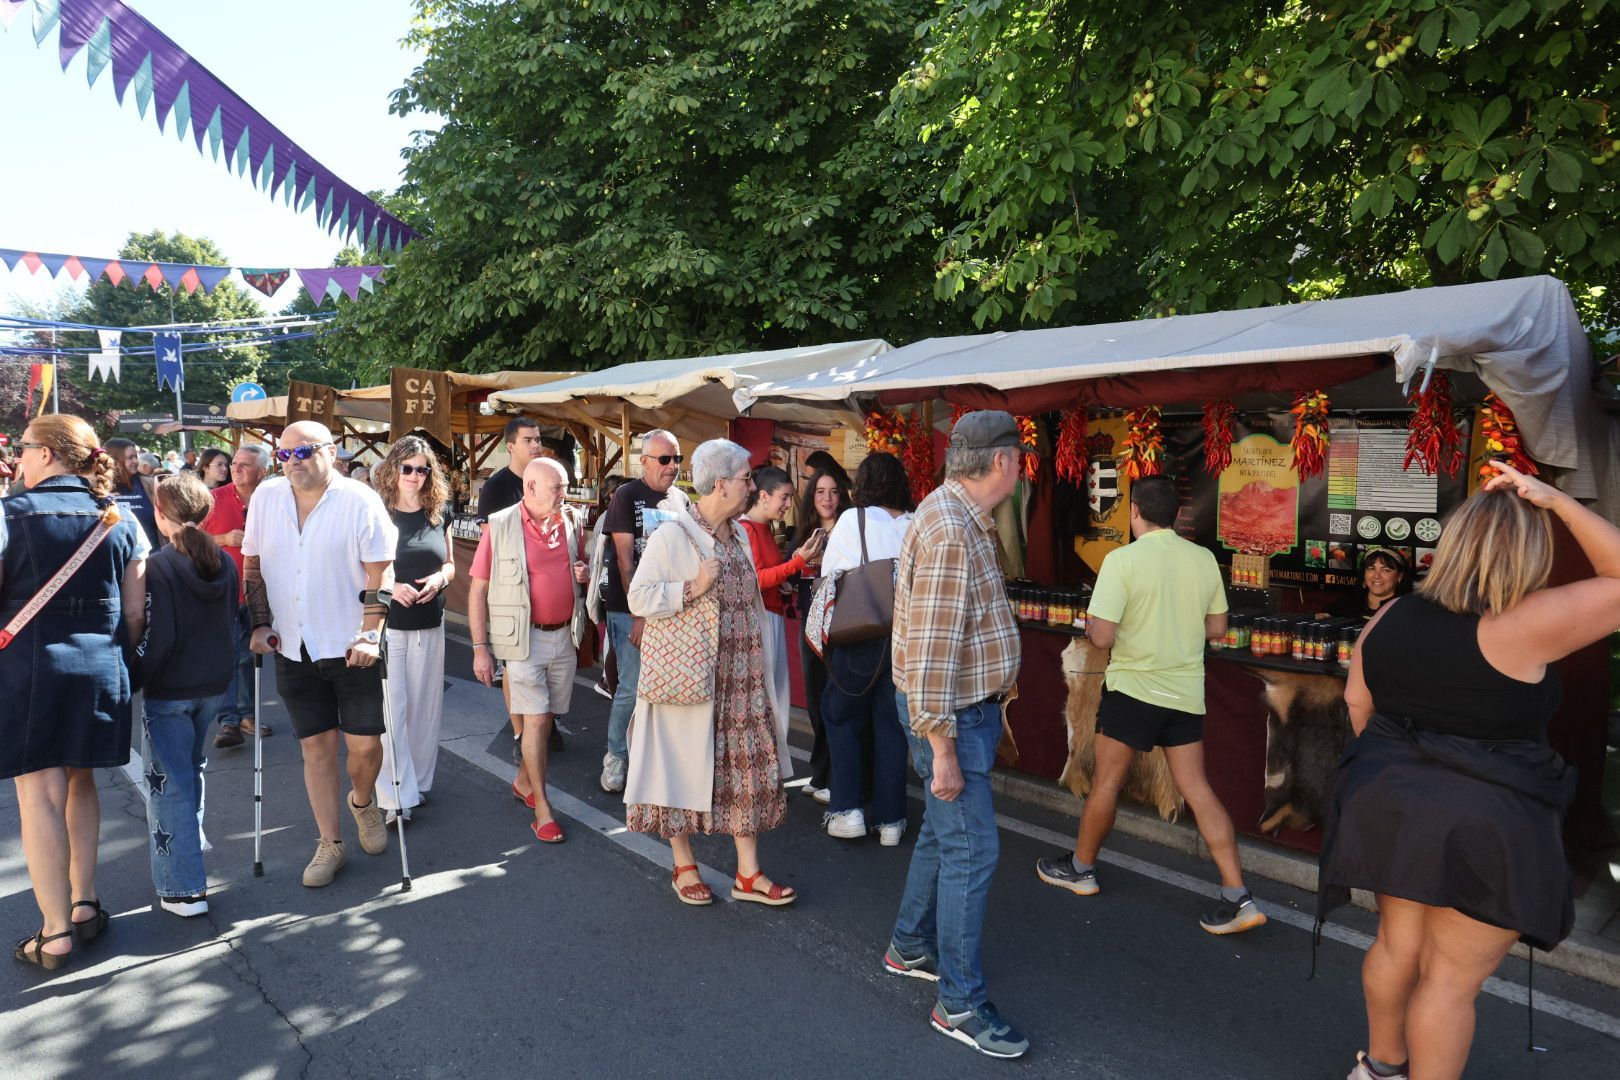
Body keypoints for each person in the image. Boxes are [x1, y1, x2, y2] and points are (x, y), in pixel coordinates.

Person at [1320, 461, 1620, 1080]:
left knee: (1395, 947)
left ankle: (1378, 1070)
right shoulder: (1528, 624)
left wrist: (1404, 767)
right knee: (1450, 982)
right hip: (1490, 821)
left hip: (1394, 808)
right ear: (1532, 554)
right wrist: (1555, 502)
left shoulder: (1388, 617)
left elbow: (1357, 705)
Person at [1035, 475, 1264, 935]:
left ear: (1134, 511)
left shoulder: (1121, 561)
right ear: (1177, 514)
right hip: (1184, 694)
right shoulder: (1202, 559)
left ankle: (1082, 870)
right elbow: (1217, 629)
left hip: (1133, 692)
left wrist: (1111, 625)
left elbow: (1100, 636)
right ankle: (1238, 895)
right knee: (1198, 789)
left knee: (1106, 784)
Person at [884, 412, 1027, 1058]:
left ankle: (911, 943)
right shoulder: (950, 531)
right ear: (1000, 463)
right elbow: (934, 652)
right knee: (973, 850)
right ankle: (959, 1003)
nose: (1024, 469)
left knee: (946, 841)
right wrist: (941, 747)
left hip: (952, 710)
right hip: (950, 715)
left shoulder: (951, 515)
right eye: (1020, 457)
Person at [625, 439, 795, 907]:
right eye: (745, 478)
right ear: (721, 485)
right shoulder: (673, 535)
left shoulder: (737, 533)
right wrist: (693, 586)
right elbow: (639, 598)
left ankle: (748, 874)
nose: (751, 485)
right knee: (679, 768)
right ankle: (683, 865)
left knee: (747, 774)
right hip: (694, 679)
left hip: (742, 678)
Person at [3, 416, 147, 970]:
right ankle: (84, 903)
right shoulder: (120, 518)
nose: (18, 459)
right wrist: (116, 659)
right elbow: (135, 612)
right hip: (101, 667)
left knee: (38, 793)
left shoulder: (8, 515)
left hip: (28, 669)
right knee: (83, 780)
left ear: (46, 455)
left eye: (22, 449)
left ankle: (55, 932)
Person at [243, 421, 398, 888]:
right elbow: (253, 564)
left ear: (332, 452)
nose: (293, 462)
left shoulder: (359, 500)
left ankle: (363, 801)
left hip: (351, 644)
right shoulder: (266, 498)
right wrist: (260, 622)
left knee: (365, 745)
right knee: (316, 748)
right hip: (292, 644)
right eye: (284, 454)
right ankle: (330, 842)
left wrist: (371, 633)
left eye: (304, 452)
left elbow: (381, 574)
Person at [470, 458, 589, 843]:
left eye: (565, 486)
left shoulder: (571, 521)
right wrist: (479, 648)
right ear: (531, 488)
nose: (564, 494)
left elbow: (578, 566)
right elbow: (478, 590)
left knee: (550, 715)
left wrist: (582, 573)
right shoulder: (501, 525)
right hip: (523, 640)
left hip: (563, 636)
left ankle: (524, 781)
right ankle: (542, 808)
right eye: (558, 487)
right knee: (536, 721)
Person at [139, 472, 238, 917]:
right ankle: (187, 863)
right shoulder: (225, 563)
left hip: (171, 687)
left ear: (161, 516)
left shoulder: (159, 565)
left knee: (170, 785)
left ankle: (183, 887)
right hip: (213, 685)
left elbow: (158, 634)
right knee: (189, 772)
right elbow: (231, 627)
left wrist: (139, 675)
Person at [820, 454, 914, 845]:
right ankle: (891, 820)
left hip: (861, 632)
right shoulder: (916, 522)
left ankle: (848, 809)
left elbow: (830, 575)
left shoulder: (853, 520)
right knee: (891, 726)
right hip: (906, 637)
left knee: (840, 716)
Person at [370, 437, 457, 826]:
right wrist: (391, 587)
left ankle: (418, 784)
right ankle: (394, 796)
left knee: (424, 708)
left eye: (423, 469)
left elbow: (452, 563)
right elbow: (362, 568)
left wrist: (440, 578)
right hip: (391, 625)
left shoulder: (439, 512)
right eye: (408, 468)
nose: (415, 476)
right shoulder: (378, 513)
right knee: (392, 710)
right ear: (393, 469)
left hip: (430, 621)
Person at [598, 429, 689, 793]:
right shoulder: (626, 495)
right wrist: (639, 614)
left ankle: (654, 758)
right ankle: (617, 756)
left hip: (671, 609)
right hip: (631, 609)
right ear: (645, 461)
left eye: (677, 458)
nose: (672, 466)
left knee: (667, 688)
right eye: (665, 459)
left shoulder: (681, 499)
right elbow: (624, 559)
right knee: (632, 686)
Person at [476, 417, 555, 762]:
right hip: (510, 592)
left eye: (538, 439)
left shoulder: (548, 479)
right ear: (511, 446)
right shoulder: (496, 487)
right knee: (512, 663)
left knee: (543, 664)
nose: (536, 445)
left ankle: (541, 725)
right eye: (529, 440)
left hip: (545, 597)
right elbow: (487, 548)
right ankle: (519, 730)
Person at [740, 466, 825, 764]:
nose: (788, 505)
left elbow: (766, 578)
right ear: (763, 496)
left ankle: (771, 769)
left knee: (775, 698)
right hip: (762, 622)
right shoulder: (746, 529)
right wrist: (798, 562)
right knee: (768, 699)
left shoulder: (761, 529)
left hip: (771, 616)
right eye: (784, 497)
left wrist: (785, 583)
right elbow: (755, 579)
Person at [788, 466, 852, 802]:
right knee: (815, 702)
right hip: (807, 626)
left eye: (833, 491)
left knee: (834, 704)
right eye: (820, 492)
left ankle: (835, 775)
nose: (827, 498)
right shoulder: (805, 534)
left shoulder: (850, 532)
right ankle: (821, 769)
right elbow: (788, 576)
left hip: (839, 628)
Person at [205, 444, 273, 748]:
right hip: (223, 591)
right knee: (229, 656)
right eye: (235, 463)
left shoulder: (273, 499)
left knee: (250, 655)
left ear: (262, 471)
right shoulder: (213, 499)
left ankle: (247, 714)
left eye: (245, 464)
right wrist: (222, 539)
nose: (236, 468)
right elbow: (186, 535)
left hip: (260, 591)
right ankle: (229, 721)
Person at [106, 437, 161, 548]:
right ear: (115, 461)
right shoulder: (99, 488)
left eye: (136, 456)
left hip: (150, 556)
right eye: (130, 458)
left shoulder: (150, 485)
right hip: (116, 558)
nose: (136, 461)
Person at [1332, 548, 1410, 620]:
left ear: (1399, 576)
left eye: (1386, 570)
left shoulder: (1407, 611)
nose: (1377, 576)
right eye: (1371, 569)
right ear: (1364, 574)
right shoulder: (1344, 605)